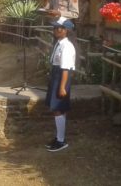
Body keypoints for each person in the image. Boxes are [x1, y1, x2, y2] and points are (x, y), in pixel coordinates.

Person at [45, 17, 76, 152]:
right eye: (55, 28)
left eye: (60, 28)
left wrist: (62, 87)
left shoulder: (67, 46)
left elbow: (65, 69)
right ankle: (59, 137)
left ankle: (61, 141)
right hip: (56, 75)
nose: (56, 30)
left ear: (66, 30)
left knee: (58, 108)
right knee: (57, 109)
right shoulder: (59, 44)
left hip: (61, 78)